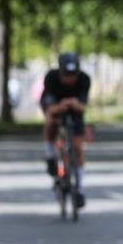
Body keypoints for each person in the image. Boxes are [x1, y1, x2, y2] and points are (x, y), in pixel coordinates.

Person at [41, 52, 91, 208]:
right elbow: (49, 107)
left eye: (73, 76)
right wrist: (58, 107)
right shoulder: (51, 78)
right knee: (51, 123)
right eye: (66, 76)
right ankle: (50, 155)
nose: (70, 80)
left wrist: (75, 104)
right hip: (55, 104)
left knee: (77, 146)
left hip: (74, 111)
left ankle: (80, 188)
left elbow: (82, 107)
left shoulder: (84, 79)